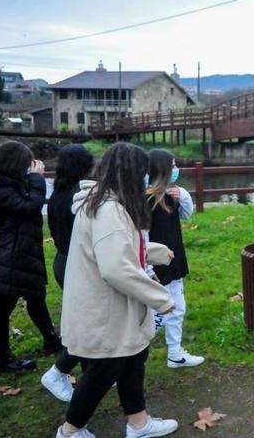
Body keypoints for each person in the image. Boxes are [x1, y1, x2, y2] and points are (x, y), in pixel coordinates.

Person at [57, 142, 178, 438]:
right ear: (131, 173)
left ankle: (139, 424)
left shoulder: (106, 203)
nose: (146, 180)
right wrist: (161, 298)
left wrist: (151, 251)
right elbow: (115, 268)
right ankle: (70, 431)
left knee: (133, 361)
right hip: (105, 311)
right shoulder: (108, 209)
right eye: (143, 174)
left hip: (113, 309)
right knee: (102, 372)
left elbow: (115, 249)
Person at [0, 141, 62, 372]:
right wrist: (37, 179)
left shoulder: (3, 179)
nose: (30, 166)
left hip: (17, 252)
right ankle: (2, 360)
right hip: (3, 255)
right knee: (1, 309)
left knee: (36, 296)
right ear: (15, 164)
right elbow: (28, 206)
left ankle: (51, 341)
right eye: (26, 163)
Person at [41, 144, 94, 402]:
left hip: (63, 261)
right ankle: (58, 371)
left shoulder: (57, 194)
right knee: (88, 324)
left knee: (86, 319)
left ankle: (90, 373)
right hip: (77, 266)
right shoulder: (77, 196)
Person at [145, 150, 204, 369]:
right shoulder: (145, 199)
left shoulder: (171, 195)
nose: (176, 167)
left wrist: (183, 195)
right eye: (173, 164)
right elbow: (140, 237)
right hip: (156, 264)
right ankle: (123, 355)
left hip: (174, 260)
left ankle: (175, 353)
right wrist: (149, 267)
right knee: (156, 313)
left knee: (177, 307)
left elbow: (187, 214)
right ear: (162, 169)